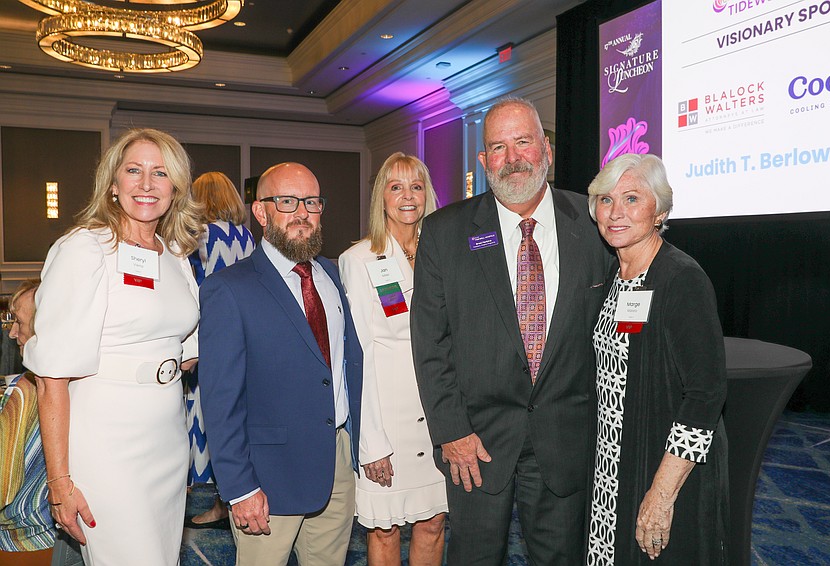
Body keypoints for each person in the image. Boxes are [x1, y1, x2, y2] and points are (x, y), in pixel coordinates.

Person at [410, 97, 613, 565]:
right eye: (498, 147)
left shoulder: (594, 222)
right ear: (483, 162)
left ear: (547, 149)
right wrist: (451, 431)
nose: (513, 157)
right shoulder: (444, 232)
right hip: (474, 446)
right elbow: (430, 344)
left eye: (523, 141)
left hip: (567, 440)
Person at [24, 128, 202, 566]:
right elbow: (51, 378)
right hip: (106, 442)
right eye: (134, 171)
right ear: (113, 183)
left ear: (175, 186)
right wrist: (60, 481)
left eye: (160, 173)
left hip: (167, 438)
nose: (146, 184)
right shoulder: (85, 249)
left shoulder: (175, 253)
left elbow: (186, 350)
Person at [198, 162, 364, 566]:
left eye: (311, 201)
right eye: (287, 202)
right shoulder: (229, 289)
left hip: (337, 463)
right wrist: (239, 488)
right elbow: (221, 401)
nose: (302, 213)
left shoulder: (331, 273)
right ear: (261, 212)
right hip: (268, 476)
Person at [585, 153, 729, 564]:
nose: (615, 213)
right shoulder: (614, 276)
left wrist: (662, 493)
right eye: (605, 199)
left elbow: (705, 393)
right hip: (613, 464)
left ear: (660, 211)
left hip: (664, 468)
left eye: (632, 199)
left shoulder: (681, 278)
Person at [339, 153, 447, 565]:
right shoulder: (359, 259)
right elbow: (358, 356)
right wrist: (371, 444)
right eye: (396, 186)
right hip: (387, 418)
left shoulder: (444, 255)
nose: (407, 196)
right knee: (384, 531)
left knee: (434, 524)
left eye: (416, 186)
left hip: (439, 413)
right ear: (380, 197)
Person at [185, 171, 256, 529]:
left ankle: (205, 498)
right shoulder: (246, 236)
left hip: (206, 336)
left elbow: (193, 292)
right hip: (243, 335)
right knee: (233, 416)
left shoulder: (198, 237)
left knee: (204, 416)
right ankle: (227, 499)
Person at [0, 281, 54, 565]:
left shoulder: (26, 390)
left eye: (18, 322)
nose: (11, 333)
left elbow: (2, 484)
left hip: (20, 542)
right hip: (62, 536)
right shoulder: (77, 382)